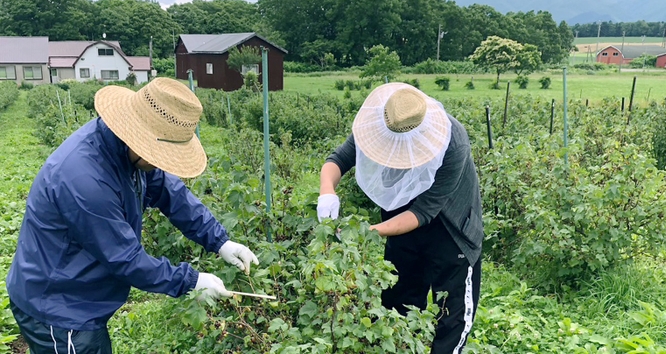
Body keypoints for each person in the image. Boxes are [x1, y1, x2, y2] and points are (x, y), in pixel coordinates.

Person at [6, 77, 259, 353]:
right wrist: (191, 281)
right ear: (139, 138)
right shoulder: (85, 179)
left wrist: (220, 241)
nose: (161, 163)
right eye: (161, 154)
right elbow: (125, 258)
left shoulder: (124, 152)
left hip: (79, 295)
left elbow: (169, 191)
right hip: (58, 307)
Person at [317, 82, 483, 353]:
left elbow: (423, 212)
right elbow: (339, 159)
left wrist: (368, 230)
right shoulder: (380, 121)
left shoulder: (453, 141)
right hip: (401, 226)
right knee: (398, 306)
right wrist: (327, 192)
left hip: (450, 229)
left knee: (451, 320)